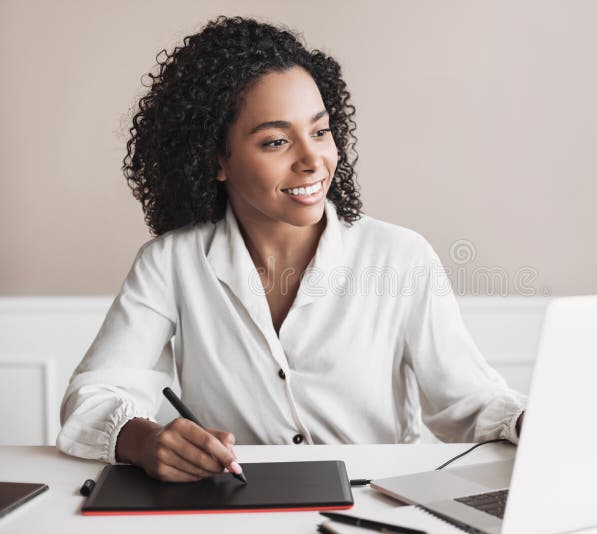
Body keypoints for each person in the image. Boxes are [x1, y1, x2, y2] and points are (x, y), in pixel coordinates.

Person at [57, 15, 527, 483]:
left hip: (378, 504)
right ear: (217, 159)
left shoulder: (400, 257)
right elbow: (93, 396)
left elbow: (469, 402)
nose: (312, 160)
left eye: (320, 132)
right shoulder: (171, 263)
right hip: (235, 507)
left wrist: (525, 422)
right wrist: (144, 440)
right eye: (277, 141)